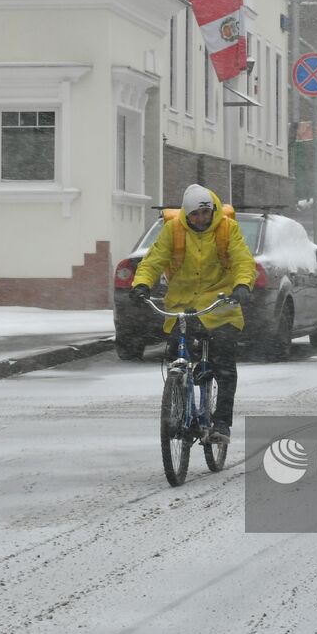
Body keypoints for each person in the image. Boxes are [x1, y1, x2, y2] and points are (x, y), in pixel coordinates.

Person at [130, 184, 255, 442]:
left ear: (212, 211)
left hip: (220, 305)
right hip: (182, 305)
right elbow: (153, 261)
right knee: (177, 353)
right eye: (195, 213)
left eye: (205, 212)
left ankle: (221, 424)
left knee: (225, 366)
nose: (201, 218)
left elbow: (243, 260)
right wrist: (141, 284)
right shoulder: (173, 231)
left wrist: (242, 285)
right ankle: (180, 401)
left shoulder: (227, 229)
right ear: (186, 214)